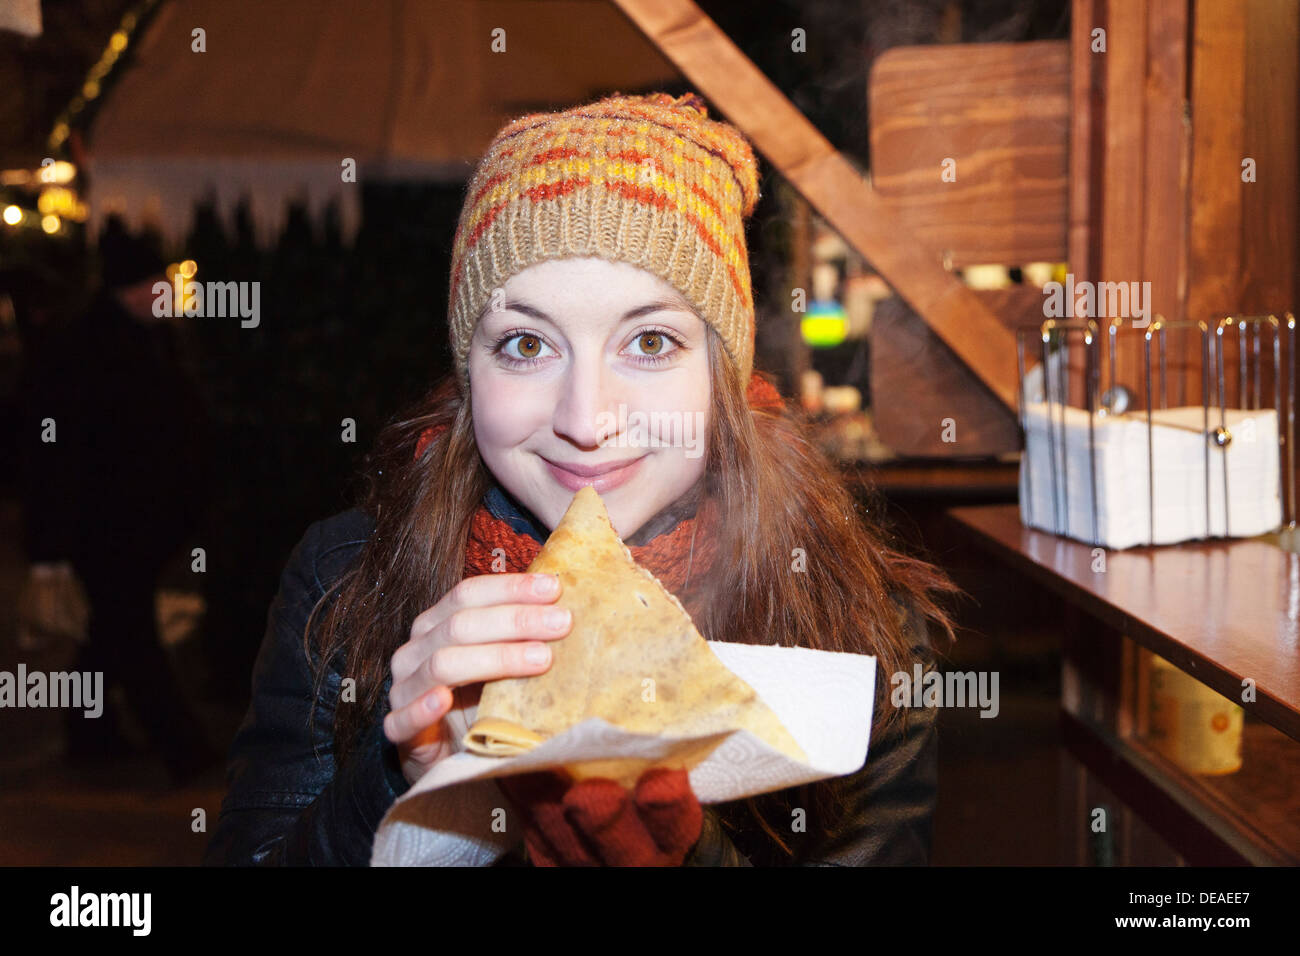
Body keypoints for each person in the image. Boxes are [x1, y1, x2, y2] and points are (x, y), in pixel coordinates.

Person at [203, 91, 962, 866]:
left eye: (652, 340)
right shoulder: (343, 581)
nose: (586, 418)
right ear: (470, 371)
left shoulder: (859, 625)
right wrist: (400, 783)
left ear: (721, 375)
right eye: (528, 346)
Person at [17, 216, 218, 785]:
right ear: (133, 289)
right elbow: (57, 451)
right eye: (159, 285)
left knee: (108, 632)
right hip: (105, 526)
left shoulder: (145, 338)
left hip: (135, 523)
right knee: (132, 634)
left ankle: (92, 732)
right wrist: (49, 547)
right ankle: (182, 746)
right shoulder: (88, 348)